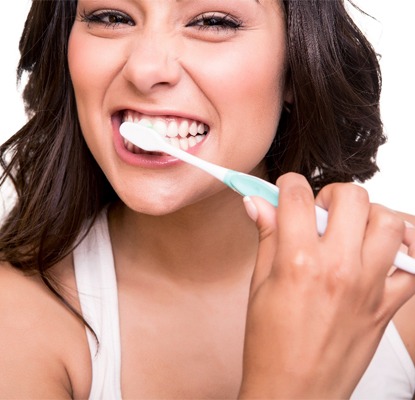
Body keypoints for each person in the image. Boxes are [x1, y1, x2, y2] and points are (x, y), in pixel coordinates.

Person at [0, 0, 414, 398]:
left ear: (295, 64)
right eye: (112, 16)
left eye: (213, 21)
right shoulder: (15, 317)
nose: (145, 70)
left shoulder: (402, 289)